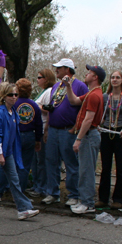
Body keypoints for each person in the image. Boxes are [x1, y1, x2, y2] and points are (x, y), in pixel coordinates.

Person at [0, 83, 40, 220]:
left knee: (14, 180)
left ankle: (23, 209)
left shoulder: (13, 112)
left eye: (16, 94)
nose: (14, 97)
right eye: (11, 95)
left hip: (8, 152)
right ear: (4, 96)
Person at [43, 59, 88, 206]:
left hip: (68, 130)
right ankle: (52, 193)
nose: (56, 70)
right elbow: (52, 107)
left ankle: (73, 195)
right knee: (51, 161)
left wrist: (76, 126)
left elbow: (83, 109)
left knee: (71, 163)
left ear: (67, 69)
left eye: (59, 68)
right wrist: (47, 128)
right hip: (54, 129)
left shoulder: (80, 86)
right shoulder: (57, 86)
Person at [64, 65, 106, 214]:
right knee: (83, 169)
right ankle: (84, 200)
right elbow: (74, 100)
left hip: (89, 135)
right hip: (87, 136)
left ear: (95, 77)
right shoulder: (91, 93)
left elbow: (89, 119)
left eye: (89, 73)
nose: (86, 74)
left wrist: (78, 139)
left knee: (86, 170)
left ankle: (87, 203)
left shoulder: (95, 95)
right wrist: (68, 87)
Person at [97, 71, 122, 209]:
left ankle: (118, 199)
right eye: (113, 77)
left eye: (118, 77)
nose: (115, 80)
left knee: (120, 168)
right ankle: (103, 198)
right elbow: (101, 114)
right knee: (105, 167)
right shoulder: (105, 97)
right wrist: (99, 125)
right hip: (107, 133)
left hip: (121, 134)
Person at [29, 69, 56, 197]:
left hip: (43, 127)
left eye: (40, 77)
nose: (38, 79)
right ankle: (36, 185)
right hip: (36, 129)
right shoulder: (42, 92)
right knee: (35, 160)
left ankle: (42, 187)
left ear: (46, 79)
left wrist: (35, 107)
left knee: (41, 160)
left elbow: (49, 109)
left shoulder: (50, 91)